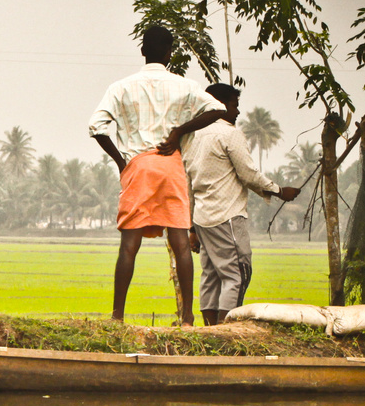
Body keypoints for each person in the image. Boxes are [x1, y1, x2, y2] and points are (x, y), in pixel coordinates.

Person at [89, 25, 231, 326]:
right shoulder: (185, 85)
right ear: (170, 53)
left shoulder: (120, 87)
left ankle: (117, 317)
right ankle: (188, 318)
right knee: (180, 241)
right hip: (170, 164)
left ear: (142, 50)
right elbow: (218, 109)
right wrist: (179, 131)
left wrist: (121, 162)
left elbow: (96, 127)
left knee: (129, 245)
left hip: (138, 166)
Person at [180, 83, 300, 326]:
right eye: (234, 105)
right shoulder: (230, 134)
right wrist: (279, 191)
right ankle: (226, 331)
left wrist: (192, 227)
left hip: (203, 219)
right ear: (221, 106)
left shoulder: (191, 138)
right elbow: (248, 174)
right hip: (228, 217)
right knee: (237, 273)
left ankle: (210, 331)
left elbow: (188, 186)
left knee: (211, 275)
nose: (237, 112)